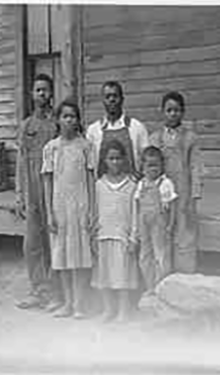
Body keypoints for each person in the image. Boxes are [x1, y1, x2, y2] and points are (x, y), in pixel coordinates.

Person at [41, 99, 96, 319]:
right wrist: (49, 212)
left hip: (80, 205)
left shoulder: (86, 146)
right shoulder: (51, 148)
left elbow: (91, 178)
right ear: (58, 120)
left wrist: (92, 209)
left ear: (78, 120)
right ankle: (67, 302)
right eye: (65, 116)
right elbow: (47, 181)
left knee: (79, 257)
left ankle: (80, 304)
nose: (69, 120)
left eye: (73, 116)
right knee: (62, 256)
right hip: (59, 206)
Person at [14, 74, 61, 311]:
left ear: (51, 93)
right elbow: (21, 161)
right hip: (32, 188)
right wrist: (19, 194)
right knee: (32, 242)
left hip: (51, 186)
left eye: (46, 90)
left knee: (52, 239)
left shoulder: (57, 124)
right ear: (32, 95)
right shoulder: (26, 126)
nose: (42, 94)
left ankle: (54, 292)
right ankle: (37, 290)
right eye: (38, 90)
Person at [149, 91, 204, 274]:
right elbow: (150, 168)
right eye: (169, 110)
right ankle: (163, 280)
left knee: (184, 235)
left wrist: (194, 197)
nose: (173, 114)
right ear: (162, 112)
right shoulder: (155, 138)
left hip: (183, 195)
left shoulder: (190, 138)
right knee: (163, 234)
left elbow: (196, 167)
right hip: (162, 195)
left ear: (183, 112)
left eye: (177, 110)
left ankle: (185, 279)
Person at [91, 139, 139, 323]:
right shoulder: (98, 185)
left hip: (123, 238)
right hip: (103, 235)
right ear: (104, 160)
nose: (115, 162)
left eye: (118, 158)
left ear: (124, 159)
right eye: (111, 158)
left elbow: (135, 213)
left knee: (123, 276)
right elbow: (94, 212)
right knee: (104, 275)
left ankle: (123, 310)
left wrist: (133, 237)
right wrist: (93, 236)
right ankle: (108, 309)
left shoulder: (131, 185)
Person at [131, 146, 177, 294]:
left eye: (156, 165)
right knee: (145, 255)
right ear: (142, 167)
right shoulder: (141, 184)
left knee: (160, 254)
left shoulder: (165, 183)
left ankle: (161, 284)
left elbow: (172, 204)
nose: (153, 169)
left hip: (159, 222)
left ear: (162, 166)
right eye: (149, 165)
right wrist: (136, 227)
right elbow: (137, 206)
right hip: (144, 222)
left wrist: (170, 223)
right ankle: (149, 284)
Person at [86, 81, 150, 181]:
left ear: (122, 99)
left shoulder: (137, 127)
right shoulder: (93, 130)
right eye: (108, 97)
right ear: (103, 100)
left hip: (132, 189)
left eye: (115, 96)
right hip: (102, 190)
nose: (112, 99)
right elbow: (89, 164)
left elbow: (146, 160)